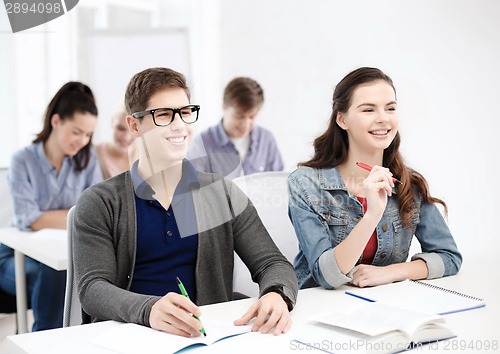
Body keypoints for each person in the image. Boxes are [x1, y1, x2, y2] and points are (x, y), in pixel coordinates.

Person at [72, 67, 298, 337]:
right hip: (131, 335)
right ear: (134, 125)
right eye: (164, 115)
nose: (179, 125)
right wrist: (149, 309)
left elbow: (273, 263)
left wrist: (276, 294)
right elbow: (93, 289)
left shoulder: (222, 193)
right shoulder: (100, 202)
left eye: (186, 112)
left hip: (208, 336)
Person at [287, 67, 462, 290]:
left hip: (381, 308)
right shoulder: (305, 184)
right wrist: (372, 215)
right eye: (368, 110)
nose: (383, 119)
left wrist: (390, 273)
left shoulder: (409, 184)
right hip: (317, 306)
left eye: (390, 108)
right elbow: (326, 276)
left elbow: (449, 257)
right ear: (342, 120)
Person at [0, 81, 102, 331]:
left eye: (88, 134)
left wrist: (51, 217)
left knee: (70, 272)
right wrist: (76, 215)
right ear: (56, 121)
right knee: (55, 274)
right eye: (76, 132)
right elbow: (31, 218)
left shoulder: (87, 160)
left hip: (62, 253)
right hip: (15, 256)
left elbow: (96, 212)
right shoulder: (23, 160)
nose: (82, 140)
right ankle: (44, 339)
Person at [187, 77, 283, 179]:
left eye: (252, 117)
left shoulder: (266, 139)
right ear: (224, 106)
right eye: (239, 116)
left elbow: (277, 183)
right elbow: (192, 188)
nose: (245, 124)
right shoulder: (201, 144)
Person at [95, 103, 137, 179]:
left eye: (132, 131)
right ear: (112, 121)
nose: (126, 137)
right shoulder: (94, 153)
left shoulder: (147, 159)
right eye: (121, 128)